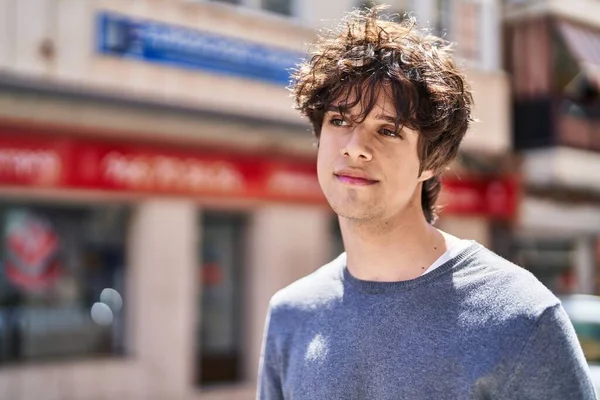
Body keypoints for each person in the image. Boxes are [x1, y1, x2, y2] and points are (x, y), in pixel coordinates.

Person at [256, 5, 597, 400]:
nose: (355, 148)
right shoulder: (291, 315)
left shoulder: (519, 316)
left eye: (387, 130)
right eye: (339, 121)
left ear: (431, 162)